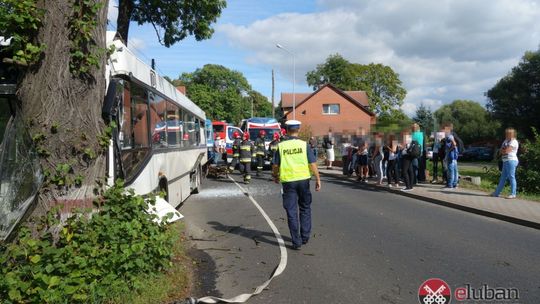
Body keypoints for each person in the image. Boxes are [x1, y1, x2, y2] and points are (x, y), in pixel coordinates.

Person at [272, 120, 321, 250]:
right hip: (304, 180)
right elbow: (312, 163)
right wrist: (318, 179)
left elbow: (276, 165)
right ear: (298, 130)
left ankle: (296, 241)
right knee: (305, 207)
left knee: (291, 211)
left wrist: (275, 176)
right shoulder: (304, 145)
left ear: (286, 130)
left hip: (288, 182)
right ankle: (305, 236)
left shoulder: (281, 146)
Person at [492, 128, 519, 199]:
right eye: (506, 133)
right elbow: (501, 150)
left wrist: (503, 150)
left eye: (509, 133)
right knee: (503, 177)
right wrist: (502, 150)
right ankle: (496, 193)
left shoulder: (514, 142)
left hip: (511, 160)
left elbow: (506, 151)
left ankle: (513, 194)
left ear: (513, 134)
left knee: (511, 176)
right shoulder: (506, 141)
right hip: (505, 160)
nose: (507, 135)